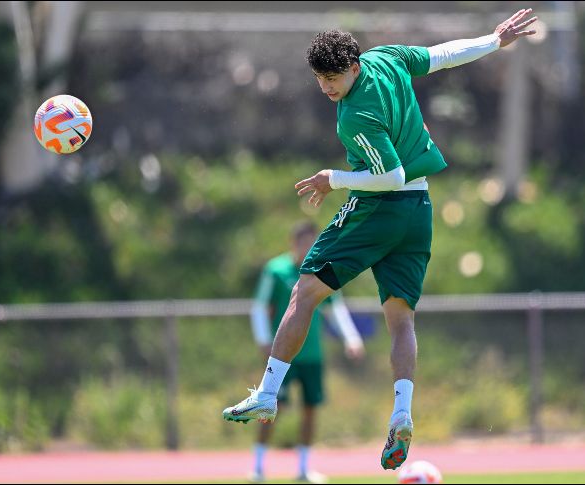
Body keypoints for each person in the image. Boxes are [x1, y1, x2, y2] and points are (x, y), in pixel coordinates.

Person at [224, 8, 538, 471]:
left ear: (353, 67)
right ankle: (402, 413)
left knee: (305, 289)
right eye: (320, 80)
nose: (327, 88)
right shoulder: (387, 58)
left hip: (383, 209)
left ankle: (268, 393)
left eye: (333, 78)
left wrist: (334, 178)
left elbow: (388, 176)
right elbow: (441, 55)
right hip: (420, 210)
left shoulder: (354, 116)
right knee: (400, 320)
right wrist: (493, 41)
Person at [246, 221, 365, 483]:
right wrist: (264, 340)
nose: (309, 247)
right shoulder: (276, 270)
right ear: (294, 242)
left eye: (314, 241)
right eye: (304, 242)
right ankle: (258, 465)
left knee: (311, 409)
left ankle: (302, 468)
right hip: (283, 357)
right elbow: (259, 308)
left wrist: (351, 339)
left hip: (312, 356)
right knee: (272, 407)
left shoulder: (323, 270)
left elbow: (335, 307)